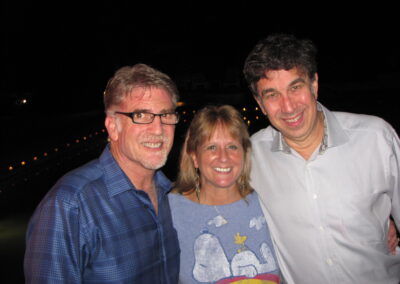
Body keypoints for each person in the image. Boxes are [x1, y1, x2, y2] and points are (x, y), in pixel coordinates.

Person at [243, 33, 400, 283]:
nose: (288, 106)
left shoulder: (376, 138)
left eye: (295, 87)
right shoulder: (248, 157)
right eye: (272, 95)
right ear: (260, 104)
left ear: (314, 85)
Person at [24, 64, 180, 283]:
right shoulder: (70, 205)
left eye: (165, 115)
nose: (158, 129)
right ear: (113, 127)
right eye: (141, 115)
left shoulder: (172, 196)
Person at [169, 105, 281, 283]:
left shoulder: (267, 202)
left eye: (232, 147)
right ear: (194, 157)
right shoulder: (171, 211)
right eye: (212, 147)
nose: (223, 157)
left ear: (244, 153)